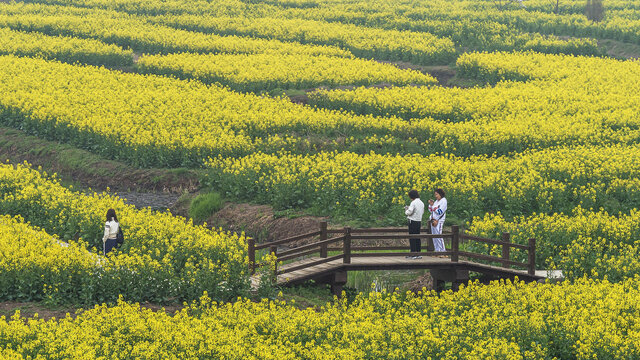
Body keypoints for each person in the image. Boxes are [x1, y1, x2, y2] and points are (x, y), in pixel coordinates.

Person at [404, 189, 424, 260]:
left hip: (412, 221)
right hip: (419, 221)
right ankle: (418, 253)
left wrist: (406, 210)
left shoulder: (413, 202)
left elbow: (409, 212)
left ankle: (413, 254)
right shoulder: (421, 203)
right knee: (417, 237)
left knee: (412, 237)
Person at [429, 189, 448, 253]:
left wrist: (434, 208)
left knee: (439, 235)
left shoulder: (444, 201)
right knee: (434, 236)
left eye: (437, 194)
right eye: (435, 194)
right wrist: (431, 205)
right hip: (433, 220)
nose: (436, 196)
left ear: (440, 194)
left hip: (439, 221)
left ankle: (443, 251)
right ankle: (437, 251)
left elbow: (440, 211)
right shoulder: (436, 201)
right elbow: (431, 210)